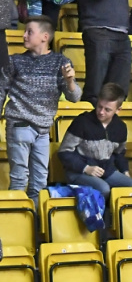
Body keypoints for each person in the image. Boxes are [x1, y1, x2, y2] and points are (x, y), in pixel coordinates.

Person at [0, 16, 82, 202]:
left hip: (44, 131)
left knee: (40, 183)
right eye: (25, 31)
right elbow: (1, 89)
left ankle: (35, 219)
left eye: (29, 32)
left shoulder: (60, 61)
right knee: (19, 180)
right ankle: (16, 218)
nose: (24, 35)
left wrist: (70, 81)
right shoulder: (14, 61)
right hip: (19, 125)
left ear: (45, 37)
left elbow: (75, 97)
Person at [58, 82, 132, 202]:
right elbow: (64, 152)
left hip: (106, 171)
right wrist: (86, 168)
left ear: (118, 110)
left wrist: (125, 171)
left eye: (107, 110)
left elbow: (119, 154)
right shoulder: (82, 122)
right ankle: (104, 214)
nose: (101, 112)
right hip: (78, 172)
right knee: (103, 189)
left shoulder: (120, 127)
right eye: (99, 106)